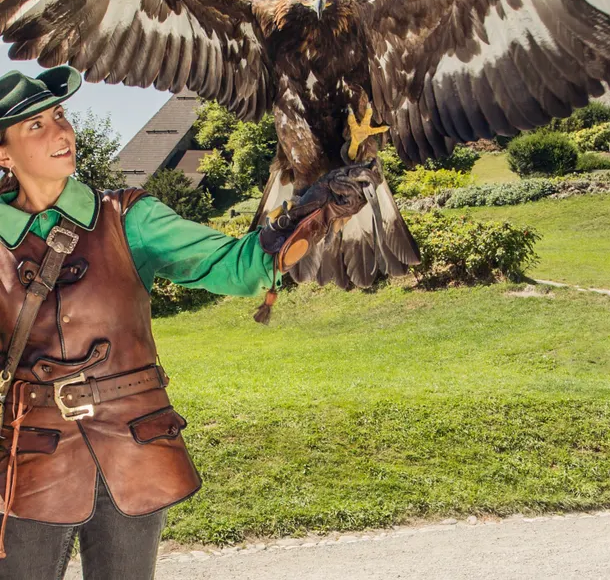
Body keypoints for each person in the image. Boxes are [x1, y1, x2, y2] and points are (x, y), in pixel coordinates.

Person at [0, 65, 373, 579]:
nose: (61, 133)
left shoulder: (129, 218)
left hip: (135, 443)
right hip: (31, 449)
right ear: (3, 152)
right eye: (36, 126)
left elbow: (235, 266)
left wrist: (307, 217)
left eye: (60, 115)